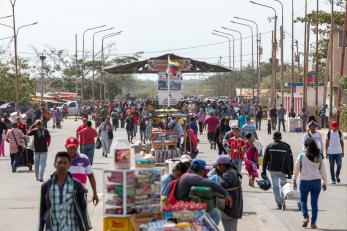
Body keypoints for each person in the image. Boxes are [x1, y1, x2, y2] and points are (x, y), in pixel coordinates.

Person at [39, 151, 91, 231]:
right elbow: (42, 210)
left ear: (69, 165)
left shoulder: (77, 185)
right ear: (54, 164)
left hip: (72, 228)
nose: (62, 165)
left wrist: (86, 227)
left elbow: (83, 208)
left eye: (65, 163)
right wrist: (40, 228)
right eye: (59, 162)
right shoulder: (46, 186)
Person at [174, 158, 232, 226]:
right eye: (203, 170)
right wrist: (226, 194)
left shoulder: (187, 175)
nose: (204, 172)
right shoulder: (192, 177)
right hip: (185, 210)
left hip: (183, 207)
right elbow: (210, 183)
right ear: (200, 170)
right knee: (216, 213)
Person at [293, 139, 328, 229]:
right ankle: (313, 222)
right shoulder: (318, 156)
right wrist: (325, 182)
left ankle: (305, 217)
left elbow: (296, 169)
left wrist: (294, 180)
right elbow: (323, 171)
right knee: (314, 203)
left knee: (303, 201)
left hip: (304, 182)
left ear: (305, 146)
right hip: (316, 183)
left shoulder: (301, 156)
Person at [207, 155, 242, 231]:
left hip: (230, 208)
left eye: (218, 165)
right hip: (231, 207)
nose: (217, 167)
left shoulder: (230, 173)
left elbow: (221, 185)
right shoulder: (231, 172)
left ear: (222, 165)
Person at [262, 131, 293, 209]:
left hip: (273, 170)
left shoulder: (269, 146)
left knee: (275, 186)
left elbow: (265, 160)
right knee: (284, 185)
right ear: (281, 138)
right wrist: (290, 172)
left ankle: (279, 202)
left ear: (273, 137)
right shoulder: (286, 147)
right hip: (283, 170)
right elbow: (290, 160)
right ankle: (283, 200)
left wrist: (264, 170)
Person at [65, 136, 99, 205]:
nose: (72, 150)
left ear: (78, 146)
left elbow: (91, 176)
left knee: (81, 215)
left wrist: (95, 193)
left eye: (74, 148)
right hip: (65, 195)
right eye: (70, 148)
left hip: (81, 194)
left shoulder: (84, 158)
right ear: (65, 147)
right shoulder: (62, 160)